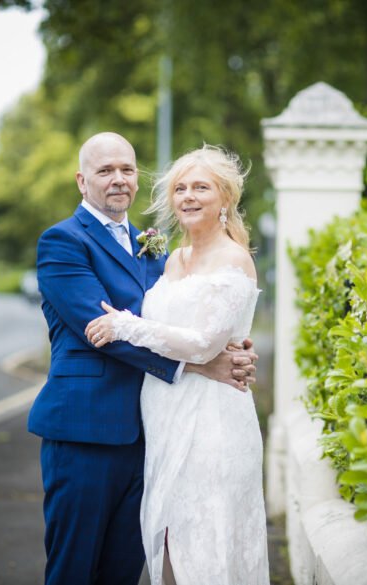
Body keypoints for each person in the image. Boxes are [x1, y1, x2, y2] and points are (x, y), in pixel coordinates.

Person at [28, 132, 257, 585]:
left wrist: (232, 347)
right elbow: (102, 331)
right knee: (74, 568)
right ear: (82, 180)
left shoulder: (157, 248)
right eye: (105, 170)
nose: (118, 179)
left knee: (124, 571)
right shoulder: (63, 242)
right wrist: (198, 365)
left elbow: (184, 322)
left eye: (127, 170)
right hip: (86, 432)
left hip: (155, 434)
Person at [85, 145, 270, 585]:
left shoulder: (234, 259)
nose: (188, 196)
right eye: (180, 188)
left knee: (206, 542)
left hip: (212, 422)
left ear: (224, 198)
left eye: (200, 187)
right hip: (164, 415)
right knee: (167, 539)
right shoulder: (172, 259)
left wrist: (125, 326)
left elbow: (205, 345)